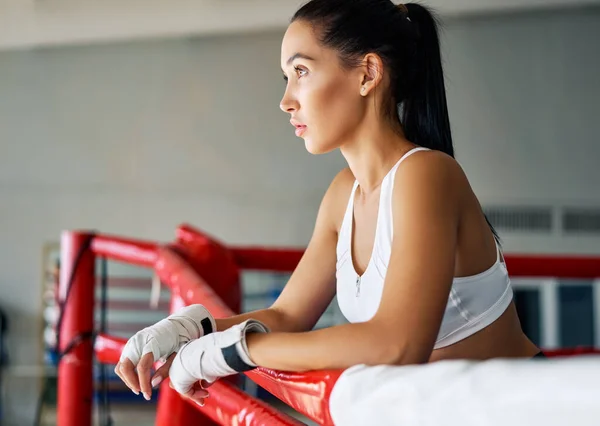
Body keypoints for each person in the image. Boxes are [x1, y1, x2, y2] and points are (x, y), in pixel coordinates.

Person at [114, 0, 542, 407]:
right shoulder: (344, 193)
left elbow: (397, 344)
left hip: (518, 412)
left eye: (301, 71)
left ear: (367, 74)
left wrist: (237, 350)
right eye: (286, 77)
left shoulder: (426, 174)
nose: (286, 101)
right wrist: (192, 330)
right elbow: (287, 314)